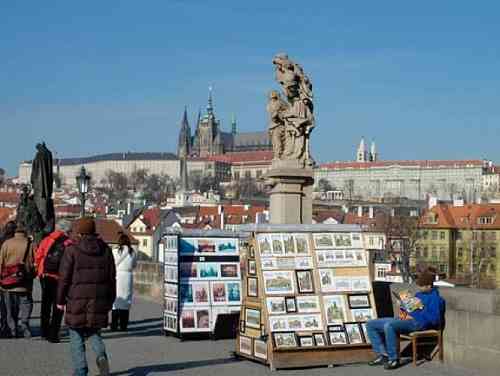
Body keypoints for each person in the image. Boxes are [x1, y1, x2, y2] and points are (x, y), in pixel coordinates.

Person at [57, 217, 116, 376]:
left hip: (76, 299)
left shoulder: (72, 249)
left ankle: (80, 370)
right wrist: (110, 300)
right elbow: (112, 278)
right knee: (93, 332)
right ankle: (101, 357)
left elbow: (64, 278)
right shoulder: (106, 250)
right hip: (99, 299)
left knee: (76, 334)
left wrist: (60, 300)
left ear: (80, 232)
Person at [365, 271, 446, 370]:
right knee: (371, 324)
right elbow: (409, 310)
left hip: (418, 323)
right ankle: (383, 355)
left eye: (422, 286)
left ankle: (393, 359)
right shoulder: (419, 295)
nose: (419, 288)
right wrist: (403, 306)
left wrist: (420, 309)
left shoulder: (436, 299)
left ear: (429, 286)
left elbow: (435, 320)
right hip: (405, 319)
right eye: (419, 286)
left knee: (389, 326)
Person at [35, 219, 73, 342]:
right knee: (59, 304)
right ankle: (53, 333)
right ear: (66, 231)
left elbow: (38, 256)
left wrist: (40, 271)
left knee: (45, 304)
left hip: (45, 275)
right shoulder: (69, 243)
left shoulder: (46, 240)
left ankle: (44, 331)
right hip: (61, 277)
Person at [0, 222, 35, 338]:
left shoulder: (7, 243)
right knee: (26, 303)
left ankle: (12, 329)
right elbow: (33, 262)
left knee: (9, 306)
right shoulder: (29, 244)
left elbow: (1, 261)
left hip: (8, 281)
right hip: (24, 280)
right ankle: (24, 324)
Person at [110, 233, 137, 332]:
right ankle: (123, 325)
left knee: (116, 301)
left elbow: (112, 263)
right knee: (126, 301)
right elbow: (134, 265)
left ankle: (114, 325)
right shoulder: (132, 252)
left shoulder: (115, 251)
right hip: (127, 276)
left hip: (117, 276)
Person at [0, 221, 17, 338]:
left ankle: (5, 325)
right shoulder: (19, 241)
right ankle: (12, 326)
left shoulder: (2, 240)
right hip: (16, 275)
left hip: (3, 274)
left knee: (3, 303)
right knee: (13, 303)